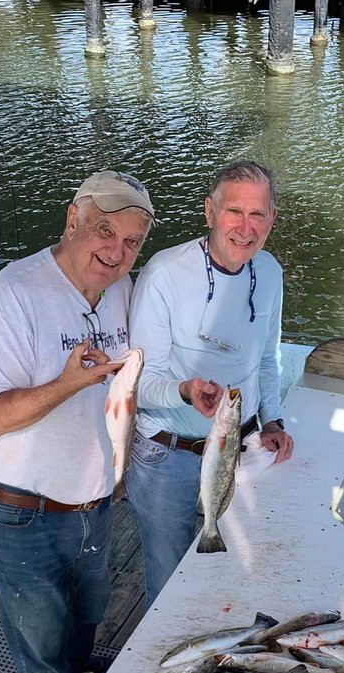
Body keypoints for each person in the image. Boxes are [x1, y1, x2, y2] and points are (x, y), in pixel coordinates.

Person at [0, 170, 153, 673]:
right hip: (22, 509)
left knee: (89, 607)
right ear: (73, 218)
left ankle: (75, 668)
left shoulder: (121, 289)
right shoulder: (14, 294)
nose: (115, 252)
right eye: (104, 231)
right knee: (40, 631)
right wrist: (67, 384)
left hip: (94, 500)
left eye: (130, 243)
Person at [127, 160, 295, 607]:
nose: (245, 228)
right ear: (209, 212)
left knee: (235, 575)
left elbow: (268, 359)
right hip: (168, 453)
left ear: (272, 219)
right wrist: (184, 391)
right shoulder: (164, 274)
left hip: (238, 448)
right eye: (233, 212)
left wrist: (273, 420)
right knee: (167, 586)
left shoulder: (271, 273)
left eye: (258, 214)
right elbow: (138, 384)